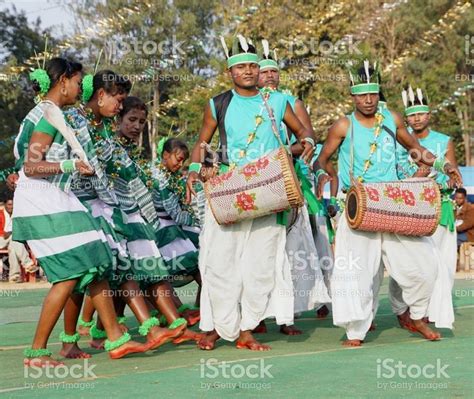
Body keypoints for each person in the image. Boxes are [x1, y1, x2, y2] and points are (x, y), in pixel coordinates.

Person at [316, 60, 462, 346]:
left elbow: (416, 150)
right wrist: (323, 173)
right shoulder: (343, 125)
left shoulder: (392, 119)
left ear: (378, 93)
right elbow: (322, 158)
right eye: (361, 95)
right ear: (353, 96)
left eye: (372, 93)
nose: (368, 100)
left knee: (425, 264)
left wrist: (444, 165)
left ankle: (417, 315)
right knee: (356, 271)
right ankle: (356, 331)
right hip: (358, 205)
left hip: (393, 203)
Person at [13, 57, 147, 366]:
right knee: (69, 275)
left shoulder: (56, 113)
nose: (80, 87)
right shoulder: (47, 114)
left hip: (58, 195)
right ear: (64, 81)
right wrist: (72, 165)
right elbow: (31, 167)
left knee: (96, 259)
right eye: (77, 81)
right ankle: (36, 353)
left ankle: (116, 339)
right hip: (40, 198)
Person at [186, 36, 315, 351]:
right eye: (240, 66)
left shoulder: (277, 101)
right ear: (230, 71)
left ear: (259, 69)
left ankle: (245, 330)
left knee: (260, 265)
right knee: (218, 262)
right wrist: (193, 169)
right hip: (230, 189)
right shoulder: (217, 103)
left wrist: (299, 150)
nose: (247, 71)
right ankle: (219, 325)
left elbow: (304, 134)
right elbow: (202, 142)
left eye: (252, 66)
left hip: (270, 190)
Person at [256, 42, 330, 335]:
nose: (270, 77)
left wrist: (286, 152)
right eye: (264, 73)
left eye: (274, 72)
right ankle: (257, 316)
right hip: (255, 184)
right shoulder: (242, 102)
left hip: (290, 181)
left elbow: (308, 138)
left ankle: (287, 316)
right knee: (260, 252)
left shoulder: (290, 102)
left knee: (293, 251)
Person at [389, 86, 460, 330]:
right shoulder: (398, 140)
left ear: (429, 114)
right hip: (409, 206)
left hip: (440, 206)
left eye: (421, 114)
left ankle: (432, 310)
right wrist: (416, 178)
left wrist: (450, 179)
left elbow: (453, 171)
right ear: (406, 117)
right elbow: (394, 174)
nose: (417, 119)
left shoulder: (443, 140)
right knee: (406, 261)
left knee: (443, 263)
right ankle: (401, 309)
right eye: (412, 115)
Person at [0, 197, 36, 282]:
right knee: (14, 237)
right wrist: (5, 233)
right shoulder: (0, 214)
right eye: (9, 204)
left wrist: (10, 233)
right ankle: (28, 263)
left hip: (11, 239)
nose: (11, 207)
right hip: (1, 239)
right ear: (5, 205)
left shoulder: (16, 215)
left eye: (13, 205)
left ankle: (14, 277)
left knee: (13, 247)